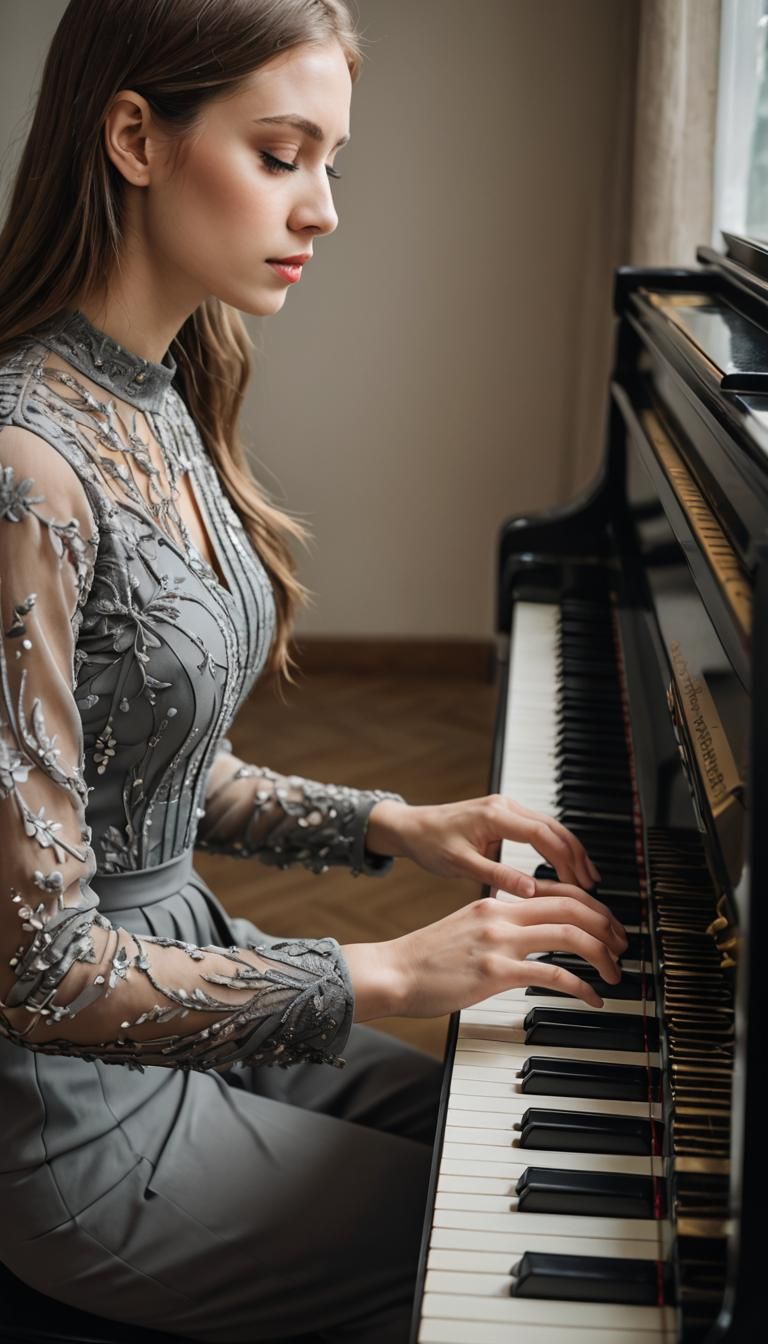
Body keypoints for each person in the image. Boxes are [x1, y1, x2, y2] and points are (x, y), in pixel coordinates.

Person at [0, 3, 627, 1341]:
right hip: (69, 1108)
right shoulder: (26, 469)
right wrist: (390, 972)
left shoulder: (161, 390)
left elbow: (151, 761)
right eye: (283, 154)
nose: (324, 208)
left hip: (197, 973)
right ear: (134, 139)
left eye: (330, 161)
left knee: (493, 1125)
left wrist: (395, 822)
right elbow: (42, 969)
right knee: (529, 1233)